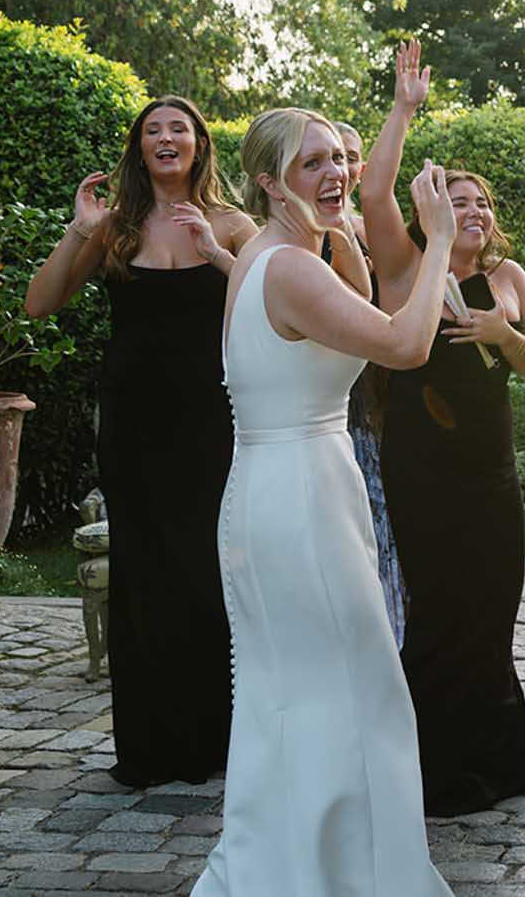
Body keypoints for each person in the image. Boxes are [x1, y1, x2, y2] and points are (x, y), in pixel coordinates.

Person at [192, 108, 455, 895]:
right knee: (357, 693)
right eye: (313, 164)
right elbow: (405, 344)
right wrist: (437, 237)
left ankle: (299, 868)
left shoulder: (267, 255)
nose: (337, 172)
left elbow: (360, 311)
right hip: (301, 501)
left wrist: (337, 231)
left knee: (293, 700)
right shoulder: (290, 269)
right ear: (269, 182)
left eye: (341, 157)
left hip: (281, 490)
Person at [24, 96, 257, 787]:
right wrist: (79, 230)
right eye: (152, 130)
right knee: (145, 570)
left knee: (207, 567)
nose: (165, 138)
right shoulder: (116, 229)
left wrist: (217, 256)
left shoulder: (234, 224)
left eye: (177, 128)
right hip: (132, 422)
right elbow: (41, 302)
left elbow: (274, 301)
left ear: (199, 144)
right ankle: (150, 745)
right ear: (139, 147)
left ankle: (216, 740)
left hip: (211, 419)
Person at [363, 42, 525, 815]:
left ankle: (499, 760)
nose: (472, 213)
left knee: (492, 611)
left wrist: (501, 334)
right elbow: (373, 191)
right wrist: (403, 110)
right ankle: (437, 772)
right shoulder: (408, 266)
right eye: (457, 202)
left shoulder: (509, 279)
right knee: (440, 613)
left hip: (490, 469)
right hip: (423, 469)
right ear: (433, 213)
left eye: (482, 204)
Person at [329, 117, 405, 648]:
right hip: (329, 390)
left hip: (379, 392)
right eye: (334, 155)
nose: (347, 166)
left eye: (353, 156)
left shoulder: (374, 229)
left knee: (382, 525)